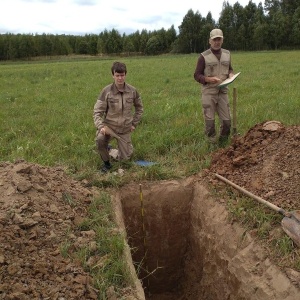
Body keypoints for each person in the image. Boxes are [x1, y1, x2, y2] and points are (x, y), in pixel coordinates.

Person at [93, 61, 143, 172]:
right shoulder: (106, 91)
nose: (120, 78)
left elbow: (139, 108)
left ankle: (111, 151)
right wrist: (100, 126)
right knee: (100, 140)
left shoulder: (133, 91)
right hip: (109, 127)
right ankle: (106, 164)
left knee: (125, 160)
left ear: (125, 74)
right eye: (117, 75)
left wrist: (134, 123)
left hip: (125, 129)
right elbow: (97, 112)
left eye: (122, 75)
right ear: (113, 75)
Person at [194, 28, 234, 146]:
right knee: (210, 123)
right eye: (214, 39)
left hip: (223, 91)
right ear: (210, 41)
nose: (217, 42)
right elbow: (196, 75)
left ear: (222, 40)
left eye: (219, 39)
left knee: (227, 122)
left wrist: (231, 74)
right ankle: (211, 145)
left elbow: (230, 68)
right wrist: (208, 79)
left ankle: (223, 143)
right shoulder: (203, 57)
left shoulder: (227, 54)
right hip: (209, 92)